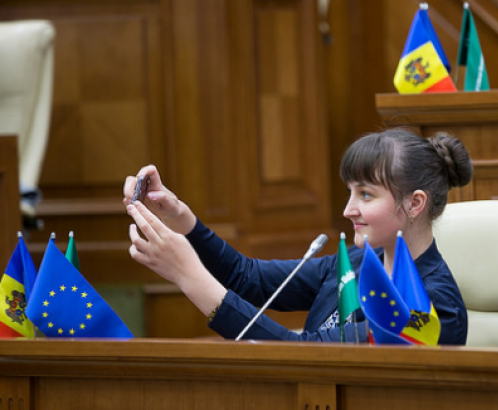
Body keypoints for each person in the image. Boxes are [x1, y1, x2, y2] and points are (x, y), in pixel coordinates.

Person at [123, 128, 473, 344]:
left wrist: (189, 276)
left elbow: (301, 352)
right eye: (350, 193)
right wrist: (182, 219)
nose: (348, 209)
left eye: (365, 194)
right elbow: (247, 278)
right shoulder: (354, 260)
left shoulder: (432, 305)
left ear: (414, 204)